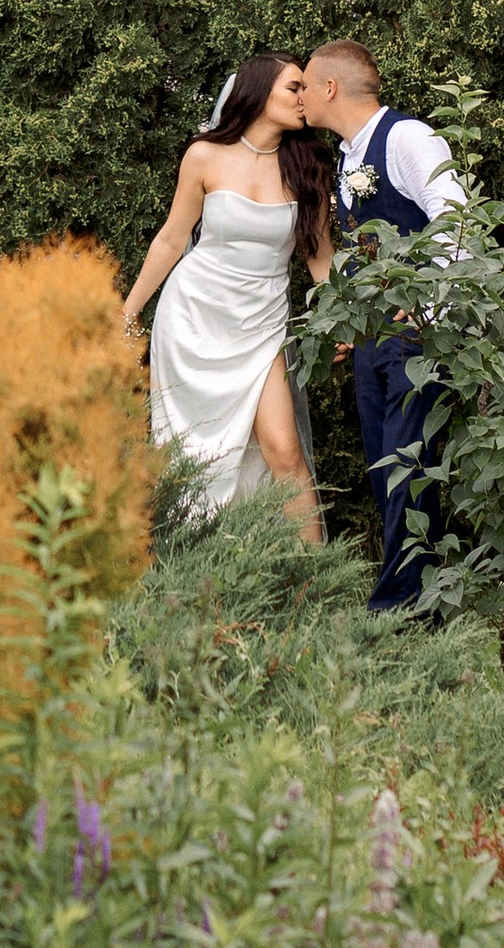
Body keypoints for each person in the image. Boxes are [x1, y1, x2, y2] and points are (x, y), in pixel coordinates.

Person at [122, 53, 338, 537]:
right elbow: (172, 239)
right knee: (194, 457)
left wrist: (344, 318)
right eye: (294, 88)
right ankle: (197, 574)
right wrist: (131, 309)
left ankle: (319, 587)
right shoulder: (205, 156)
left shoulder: (310, 169)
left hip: (262, 327)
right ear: (259, 92)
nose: (305, 98)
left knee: (285, 452)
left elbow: (319, 260)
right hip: (194, 319)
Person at [300, 39, 465, 613]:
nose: (299, 97)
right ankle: (426, 605)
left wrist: (429, 303)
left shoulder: (407, 138)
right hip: (373, 342)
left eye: (304, 86)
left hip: (419, 338)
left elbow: (457, 217)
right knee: (383, 468)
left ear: (329, 88)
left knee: (406, 467)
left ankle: (397, 611)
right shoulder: (348, 156)